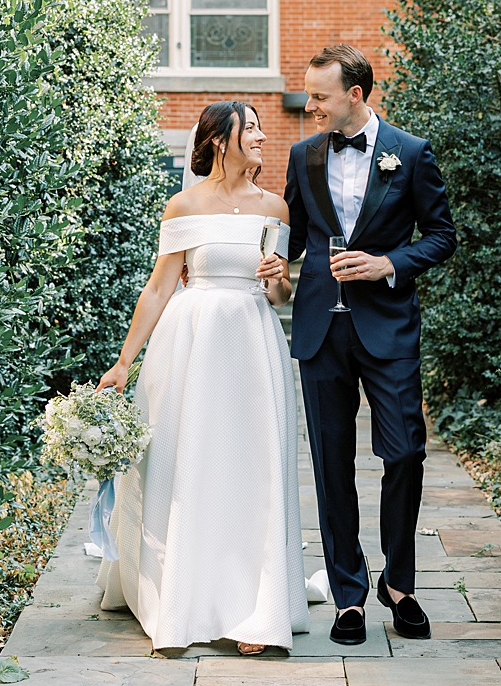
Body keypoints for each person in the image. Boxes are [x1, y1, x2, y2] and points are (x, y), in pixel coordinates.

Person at [97, 101, 305, 655]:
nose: (262, 136)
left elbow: (278, 295)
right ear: (219, 140)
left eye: (261, 127)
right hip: (190, 348)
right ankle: (181, 598)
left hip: (253, 346)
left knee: (252, 468)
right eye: (251, 129)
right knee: (187, 465)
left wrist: (280, 279)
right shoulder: (183, 205)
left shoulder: (275, 207)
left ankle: (255, 610)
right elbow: (161, 287)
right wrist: (123, 362)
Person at [285, 43, 456, 647]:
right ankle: (349, 596)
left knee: (405, 451)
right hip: (319, 331)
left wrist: (386, 262)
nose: (311, 107)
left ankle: (399, 584)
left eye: (321, 96)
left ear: (355, 96)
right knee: (332, 467)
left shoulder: (410, 154)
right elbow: (292, 239)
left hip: (387, 328)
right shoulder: (303, 156)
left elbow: (441, 237)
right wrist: (271, 268)